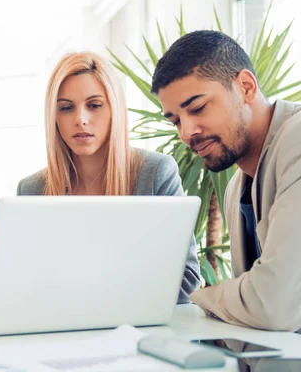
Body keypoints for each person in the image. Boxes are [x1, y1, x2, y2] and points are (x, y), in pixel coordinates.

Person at [17, 51, 200, 304]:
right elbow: (26, 283)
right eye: (66, 108)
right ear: (54, 117)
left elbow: (187, 279)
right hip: (60, 330)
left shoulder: (156, 172)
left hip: (137, 331)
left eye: (94, 105)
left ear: (115, 109)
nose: (80, 120)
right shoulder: (32, 189)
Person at [152, 30, 301, 332]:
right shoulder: (236, 186)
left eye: (197, 108)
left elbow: (272, 306)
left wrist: (204, 296)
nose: (186, 132)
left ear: (246, 87)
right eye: (176, 120)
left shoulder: (296, 139)